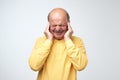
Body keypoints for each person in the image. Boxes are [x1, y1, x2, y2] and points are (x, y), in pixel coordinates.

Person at [28, 8, 88, 80]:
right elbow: (34, 66)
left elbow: (81, 66)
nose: (58, 29)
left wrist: (68, 40)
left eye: (61, 25)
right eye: (54, 25)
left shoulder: (76, 41)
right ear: (48, 25)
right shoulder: (41, 41)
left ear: (68, 24)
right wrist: (49, 40)